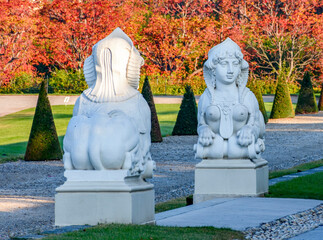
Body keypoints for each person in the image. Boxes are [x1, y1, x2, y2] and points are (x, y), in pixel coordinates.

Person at [194, 38, 265, 159]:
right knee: (227, 149)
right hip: (226, 144)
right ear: (213, 69)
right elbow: (201, 123)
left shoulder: (247, 96)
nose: (230, 70)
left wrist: (250, 129)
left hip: (241, 142)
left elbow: (255, 123)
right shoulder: (207, 97)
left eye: (235, 64)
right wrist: (204, 130)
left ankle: (258, 143)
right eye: (224, 64)